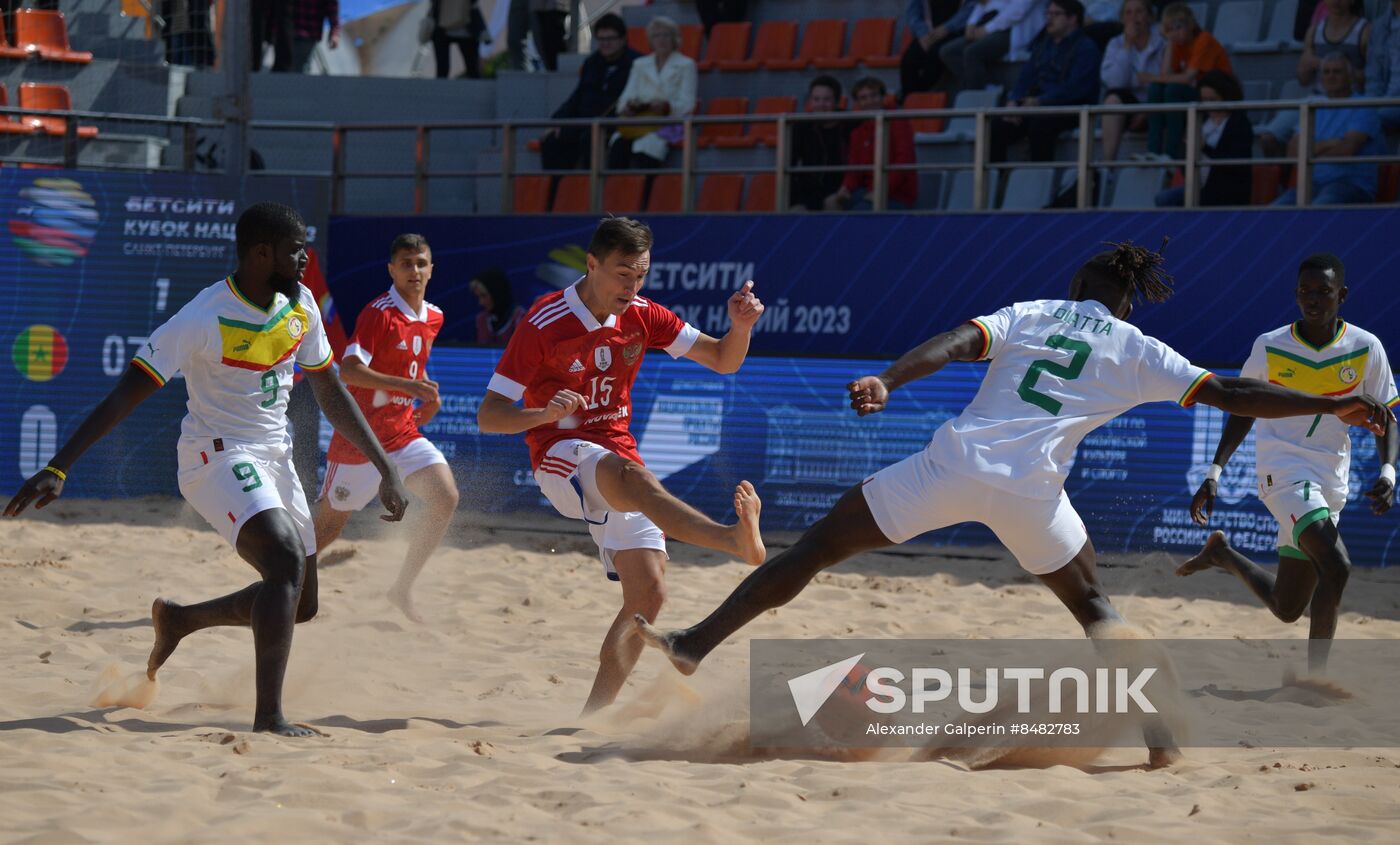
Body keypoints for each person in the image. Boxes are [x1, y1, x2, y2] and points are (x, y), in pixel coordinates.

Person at [635, 240, 1392, 767]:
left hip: (954, 464)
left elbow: (953, 344)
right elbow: (1233, 391)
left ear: (1076, 293)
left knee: (814, 550)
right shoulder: (1138, 347)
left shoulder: (1032, 312)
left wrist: (887, 382)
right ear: (1127, 304)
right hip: (1033, 493)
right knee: (1094, 603)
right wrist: (1330, 403)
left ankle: (697, 640)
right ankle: (1160, 735)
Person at [3, 203, 409, 736]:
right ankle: (269, 719)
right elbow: (127, 393)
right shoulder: (202, 316)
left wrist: (385, 466)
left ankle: (180, 620)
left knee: (300, 604)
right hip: (215, 456)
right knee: (285, 561)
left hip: (275, 456)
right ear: (262, 253)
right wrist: (59, 466)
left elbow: (330, 390)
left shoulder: (302, 304)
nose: (306, 257)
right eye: (294, 249)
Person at [476, 216, 767, 714]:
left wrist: (739, 327)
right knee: (633, 476)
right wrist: (542, 414)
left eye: (641, 275)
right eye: (622, 274)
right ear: (592, 265)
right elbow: (489, 417)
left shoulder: (644, 314)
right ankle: (729, 539)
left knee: (649, 594)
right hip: (557, 454)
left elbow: (723, 359)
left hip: (617, 453)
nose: (632, 287)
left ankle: (590, 718)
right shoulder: (546, 321)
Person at [1181, 254, 1397, 673]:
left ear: (1343, 295)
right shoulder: (1271, 345)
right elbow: (1242, 407)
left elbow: (1387, 416)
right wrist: (1214, 473)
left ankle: (1224, 554)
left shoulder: (1366, 348)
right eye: (1305, 291)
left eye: (1323, 291)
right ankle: (1316, 679)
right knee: (1336, 565)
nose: (1312, 299)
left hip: (1331, 477)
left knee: (1287, 606)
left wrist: (1389, 472)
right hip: (1281, 471)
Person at [314, 234, 457, 625]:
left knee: (445, 497)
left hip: (402, 432)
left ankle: (402, 587)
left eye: (421, 263)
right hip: (359, 438)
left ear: (431, 268)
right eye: (406, 263)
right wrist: (409, 386)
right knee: (327, 529)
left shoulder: (434, 315)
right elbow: (350, 370)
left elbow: (409, 362)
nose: (415, 270)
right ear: (392, 270)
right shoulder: (379, 312)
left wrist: (426, 389)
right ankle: (285, 579)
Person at [989, 0, 1101, 164]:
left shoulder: (1086, 48)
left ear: (1072, 19)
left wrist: (1041, 101)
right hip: (1038, 106)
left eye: (1056, 14)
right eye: (1048, 14)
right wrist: (1014, 102)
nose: (1049, 18)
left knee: (1040, 126)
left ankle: (1040, 182)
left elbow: (1076, 89)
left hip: (1071, 109)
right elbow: (1025, 77)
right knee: (997, 127)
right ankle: (994, 182)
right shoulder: (1043, 46)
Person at [1273, 52, 1386, 206]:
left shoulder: (1364, 106)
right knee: (1273, 211)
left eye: (1337, 71)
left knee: (1318, 209)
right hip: (1313, 185)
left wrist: (1310, 149)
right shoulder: (1313, 105)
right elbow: (1292, 153)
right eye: (1326, 72)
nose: (1331, 76)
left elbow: (1347, 150)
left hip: (1351, 185)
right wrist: (1331, 143)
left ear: (1350, 76)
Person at [1260, 0, 1369, 158]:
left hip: (1348, 101)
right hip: (1317, 99)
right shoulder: (1315, 30)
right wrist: (1307, 66)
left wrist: (1335, 67)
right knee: (1268, 138)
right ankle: (1285, 180)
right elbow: (1303, 79)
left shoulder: (1364, 30)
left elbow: (1373, 77)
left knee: (1302, 145)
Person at [538, 13, 638, 172]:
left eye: (610, 39)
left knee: (589, 139)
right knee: (551, 141)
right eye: (601, 39)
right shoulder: (592, 62)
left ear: (623, 39)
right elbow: (577, 96)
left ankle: (590, 192)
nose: (605, 44)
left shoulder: (637, 64)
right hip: (584, 121)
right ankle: (555, 192)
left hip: (613, 123)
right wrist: (557, 121)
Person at [1142, 2, 1232, 158]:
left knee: (1173, 90)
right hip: (1197, 92)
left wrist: (1153, 77)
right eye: (1169, 30)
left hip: (1218, 96)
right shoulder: (1176, 44)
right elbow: (1166, 74)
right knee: (1156, 89)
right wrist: (1169, 42)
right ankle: (1153, 151)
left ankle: (1171, 154)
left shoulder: (1204, 40)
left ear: (1190, 25)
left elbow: (1187, 77)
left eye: (1178, 27)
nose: (1174, 33)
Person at [608, 16, 697, 170]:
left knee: (648, 148)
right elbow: (625, 97)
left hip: (668, 122)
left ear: (674, 39)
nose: (661, 40)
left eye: (666, 35)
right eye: (656, 35)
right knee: (618, 145)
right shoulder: (640, 64)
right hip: (640, 119)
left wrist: (666, 107)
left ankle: (646, 192)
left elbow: (688, 104)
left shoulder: (686, 65)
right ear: (650, 40)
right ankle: (617, 192)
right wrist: (628, 107)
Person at [1154, 71, 1252, 206]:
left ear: (1226, 98)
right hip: (1198, 186)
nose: (1208, 105)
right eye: (1204, 100)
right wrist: (1187, 148)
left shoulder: (1239, 124)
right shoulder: (1201, 119)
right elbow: (1183, 163)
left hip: (1224, 190)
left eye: (1213, 100)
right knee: (1163, 199)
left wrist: (1204, 147)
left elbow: (1233, 164)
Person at [825, 77, 917, 210]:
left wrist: (880, 190)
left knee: (860, 209)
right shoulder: (858, 132)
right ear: (858, 103)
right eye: (863, 98)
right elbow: (854, 168)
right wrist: (845, 187)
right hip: (866, 191)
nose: (869, 101)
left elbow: (903, 162)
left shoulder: (898, 122)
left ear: (883, 97)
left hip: (896, 195)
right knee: (830, 203)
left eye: (874, 95)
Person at [1099, 0, 1168, 162]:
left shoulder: (1163, 41)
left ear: (1150, 17)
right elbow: (1115, 83)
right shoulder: (1115, 44)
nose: (1133, 18)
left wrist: (1147, 111)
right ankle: (1108, 166)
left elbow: (1167, 80)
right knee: (1112, 100)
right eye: (1128, 13)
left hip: (1159, 104)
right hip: (1130, 106)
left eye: (1139, 12)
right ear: (1122, 19)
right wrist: (1127, 46)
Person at [940, 0, 1050, 93]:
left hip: (1013, 31)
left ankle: (977, 102)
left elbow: (1018, 11)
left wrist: (987, 29)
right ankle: (982, 87)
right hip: (988, 24)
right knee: (948, 52)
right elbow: (984, 3)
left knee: (972, 52)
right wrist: (971, 24)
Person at [789, 75, 851, 212]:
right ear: (810, 101)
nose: (821, 105)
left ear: (837, 101)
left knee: (832, 204)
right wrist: (793, 199)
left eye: (827, 99)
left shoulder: (851, 123)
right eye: (816, 99)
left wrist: (848, 186)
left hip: (843, 188)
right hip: (809, 192)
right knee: (795, 212)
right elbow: (789, 165)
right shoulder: (801, 127)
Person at [899, 0, 967, 97]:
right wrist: (922, 33)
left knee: (935, 56)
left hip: (954, 33)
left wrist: (947, 28)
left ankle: (916, 97)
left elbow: (969, 11)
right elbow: (913, 13)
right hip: (928, 34)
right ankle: (909, 100)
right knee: (908, 61)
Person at [1364, 0, 1400, 131]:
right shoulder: (1379, 26)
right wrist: (1369, 109)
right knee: (1356, 121)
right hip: (1387, 103)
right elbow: (1373, 78)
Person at [428, 0, 485, 79]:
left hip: (467, 27)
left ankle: (476, 90)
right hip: (441, 28)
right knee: (442, 69)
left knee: (473, 69)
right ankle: (440, 90)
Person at [472, 267, 527, 345]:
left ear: (497, 293)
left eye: (484, 296)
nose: (481, 302)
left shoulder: (519, 317)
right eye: (478, 297)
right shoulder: (481, 319)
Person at [289, 0, 340, 73]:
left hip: (308, 33)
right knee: (289, 67)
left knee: (298, 69)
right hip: (289, 31)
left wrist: (334, 33)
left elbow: (332, 8)